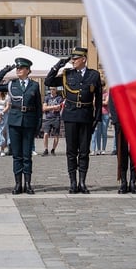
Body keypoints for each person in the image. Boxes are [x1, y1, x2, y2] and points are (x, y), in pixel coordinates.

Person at [45, 47, 102, 194]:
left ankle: (82, 182)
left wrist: (97, 118)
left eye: (76, 59)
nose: (73, 61)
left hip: (86, 116)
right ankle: (73, 182)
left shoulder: (93, 75)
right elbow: (48, 81)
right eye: (72, 59)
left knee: (84, 151)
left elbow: (99, 99)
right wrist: (58, 65)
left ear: (83, 59)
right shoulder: (67, 74)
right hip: (70, 116)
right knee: (71, 152)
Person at [0, 57, 42, 195]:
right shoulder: (11, 84)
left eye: (21, 68)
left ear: (27, 70)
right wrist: (5, 71)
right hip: (15, 122)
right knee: (17, 155)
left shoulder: (34, 85)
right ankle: (18, 184)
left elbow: (38, 107)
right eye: (17, 68)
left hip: (29, 122)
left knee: (27, 155)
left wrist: (38, 125)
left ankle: (28, 184)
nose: (18, 70)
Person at [108, 94, 136, 194]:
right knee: (122, 153)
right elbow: (112, 102)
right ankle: (123, 182)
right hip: (120, 122)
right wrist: (116, 120)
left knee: (135, 153)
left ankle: (132, 182)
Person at [41, 86, 63, 156]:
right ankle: (46, 149)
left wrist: (49, 108)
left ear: (56, 90)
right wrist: (53, 107)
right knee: (46, 134)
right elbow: (44, 108)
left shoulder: (59, 98)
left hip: (56, 118)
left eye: (53, 89)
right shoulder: (47, 97)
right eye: (50, 89)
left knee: (56, 135)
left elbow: (59, 108)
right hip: (48, 118)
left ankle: (53, 149)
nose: (52, 91)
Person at [91, 85, 110, 156]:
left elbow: (106, 102)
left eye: (103, 86)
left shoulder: (107, 94)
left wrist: (99, 102)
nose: (102, 88)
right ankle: (98, 149)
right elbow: (94, 102)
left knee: (104, 132)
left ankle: (103, 149)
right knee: (98, 132)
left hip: (105, 114)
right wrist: (102, 101)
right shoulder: (97, 94)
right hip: (98, 114)